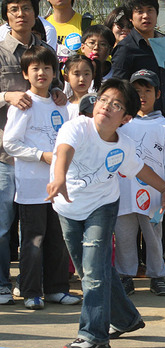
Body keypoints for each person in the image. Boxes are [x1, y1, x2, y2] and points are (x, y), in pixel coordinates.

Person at [45, 78, 165, 348]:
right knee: (91, 270)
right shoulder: (76, 127)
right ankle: (126, 319)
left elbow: (140, 169)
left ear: (126, 118)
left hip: (102, 207)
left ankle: (94, 335)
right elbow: (64, 151)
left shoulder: (124, 144)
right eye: (103, 100)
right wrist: (59, 179)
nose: (106, 106)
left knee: (93, 272)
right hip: (67, 207)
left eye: (115, 105)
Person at [3, 45, 80, 310]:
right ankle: (31, 291)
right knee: (33, 240)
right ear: (25, 73)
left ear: (55, 72)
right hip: (32, 187)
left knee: (58, 239)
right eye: (35, 68)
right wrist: (40, 155)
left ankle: (57, 289)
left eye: (47, 68)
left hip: (59, 186)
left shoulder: (61, 104)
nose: (41, 73)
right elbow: (10, 143)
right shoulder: (23, 104)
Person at [0, 0, 66, 306]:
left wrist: (59, 92)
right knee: (12, 229)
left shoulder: (43, 48)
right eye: (13, 9)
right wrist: (6, 95)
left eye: (26, 8)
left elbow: (61, 86)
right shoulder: (0, 50)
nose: (20, 14)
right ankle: (13, 287)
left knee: (53, 233)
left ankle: (53, 287)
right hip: (9, 159)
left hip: (52, 173)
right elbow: (11, 143)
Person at [114, 69, 165, 296]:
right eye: (137, 90)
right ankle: (125, 275)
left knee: (153, 237)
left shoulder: (164, 126)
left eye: (148, 90)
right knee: (123, 237)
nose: (142, 95)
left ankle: (157, 276)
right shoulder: (121, 123)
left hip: (153, 195)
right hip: (123, 192)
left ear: (158, 94)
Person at [111, 0, 165, 120]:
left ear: (156, 14)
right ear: (130, 18)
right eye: (140, 11)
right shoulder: (125, 49)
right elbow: (118, 89)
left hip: (160, 119)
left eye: (150, 10)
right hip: (136, 122)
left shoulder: (160, 42)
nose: (146, 16)